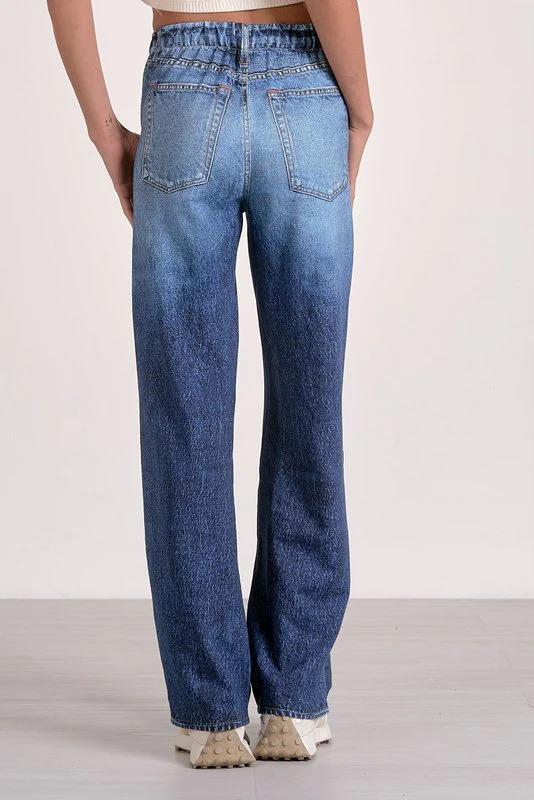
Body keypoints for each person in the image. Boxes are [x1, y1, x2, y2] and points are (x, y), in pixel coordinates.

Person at [47, 0, 373, 769]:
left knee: (182, 417)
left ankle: (210, 714)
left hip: (181, 93)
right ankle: (295, 700)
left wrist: (104, 132)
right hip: (306, 85)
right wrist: (361, 111)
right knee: (309, 411)